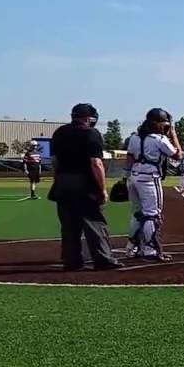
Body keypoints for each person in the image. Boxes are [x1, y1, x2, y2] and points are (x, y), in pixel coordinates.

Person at [49, 103, 119, 271]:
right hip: (84, 183)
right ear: (89, 119)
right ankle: (103, 259)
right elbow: (96, 163)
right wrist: (102, 189)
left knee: (68, 224)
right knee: (93, 221)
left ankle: (71, 261)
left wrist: (58, 179)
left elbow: (55, 161)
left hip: (63, 182)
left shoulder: (59, 133)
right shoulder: (91, 133)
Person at [124, 108, 181, 261]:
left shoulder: (134, 138)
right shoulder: (159, 139)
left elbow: (129, 158)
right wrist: (173, 134)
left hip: (134, 177)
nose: (165, 126)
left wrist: (125, 177)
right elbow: (178, 154)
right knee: (152, 214)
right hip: (149, 179)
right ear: (157, 123)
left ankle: (131, 247)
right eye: (164, 123)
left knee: (137, 213)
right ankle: (150, 249)